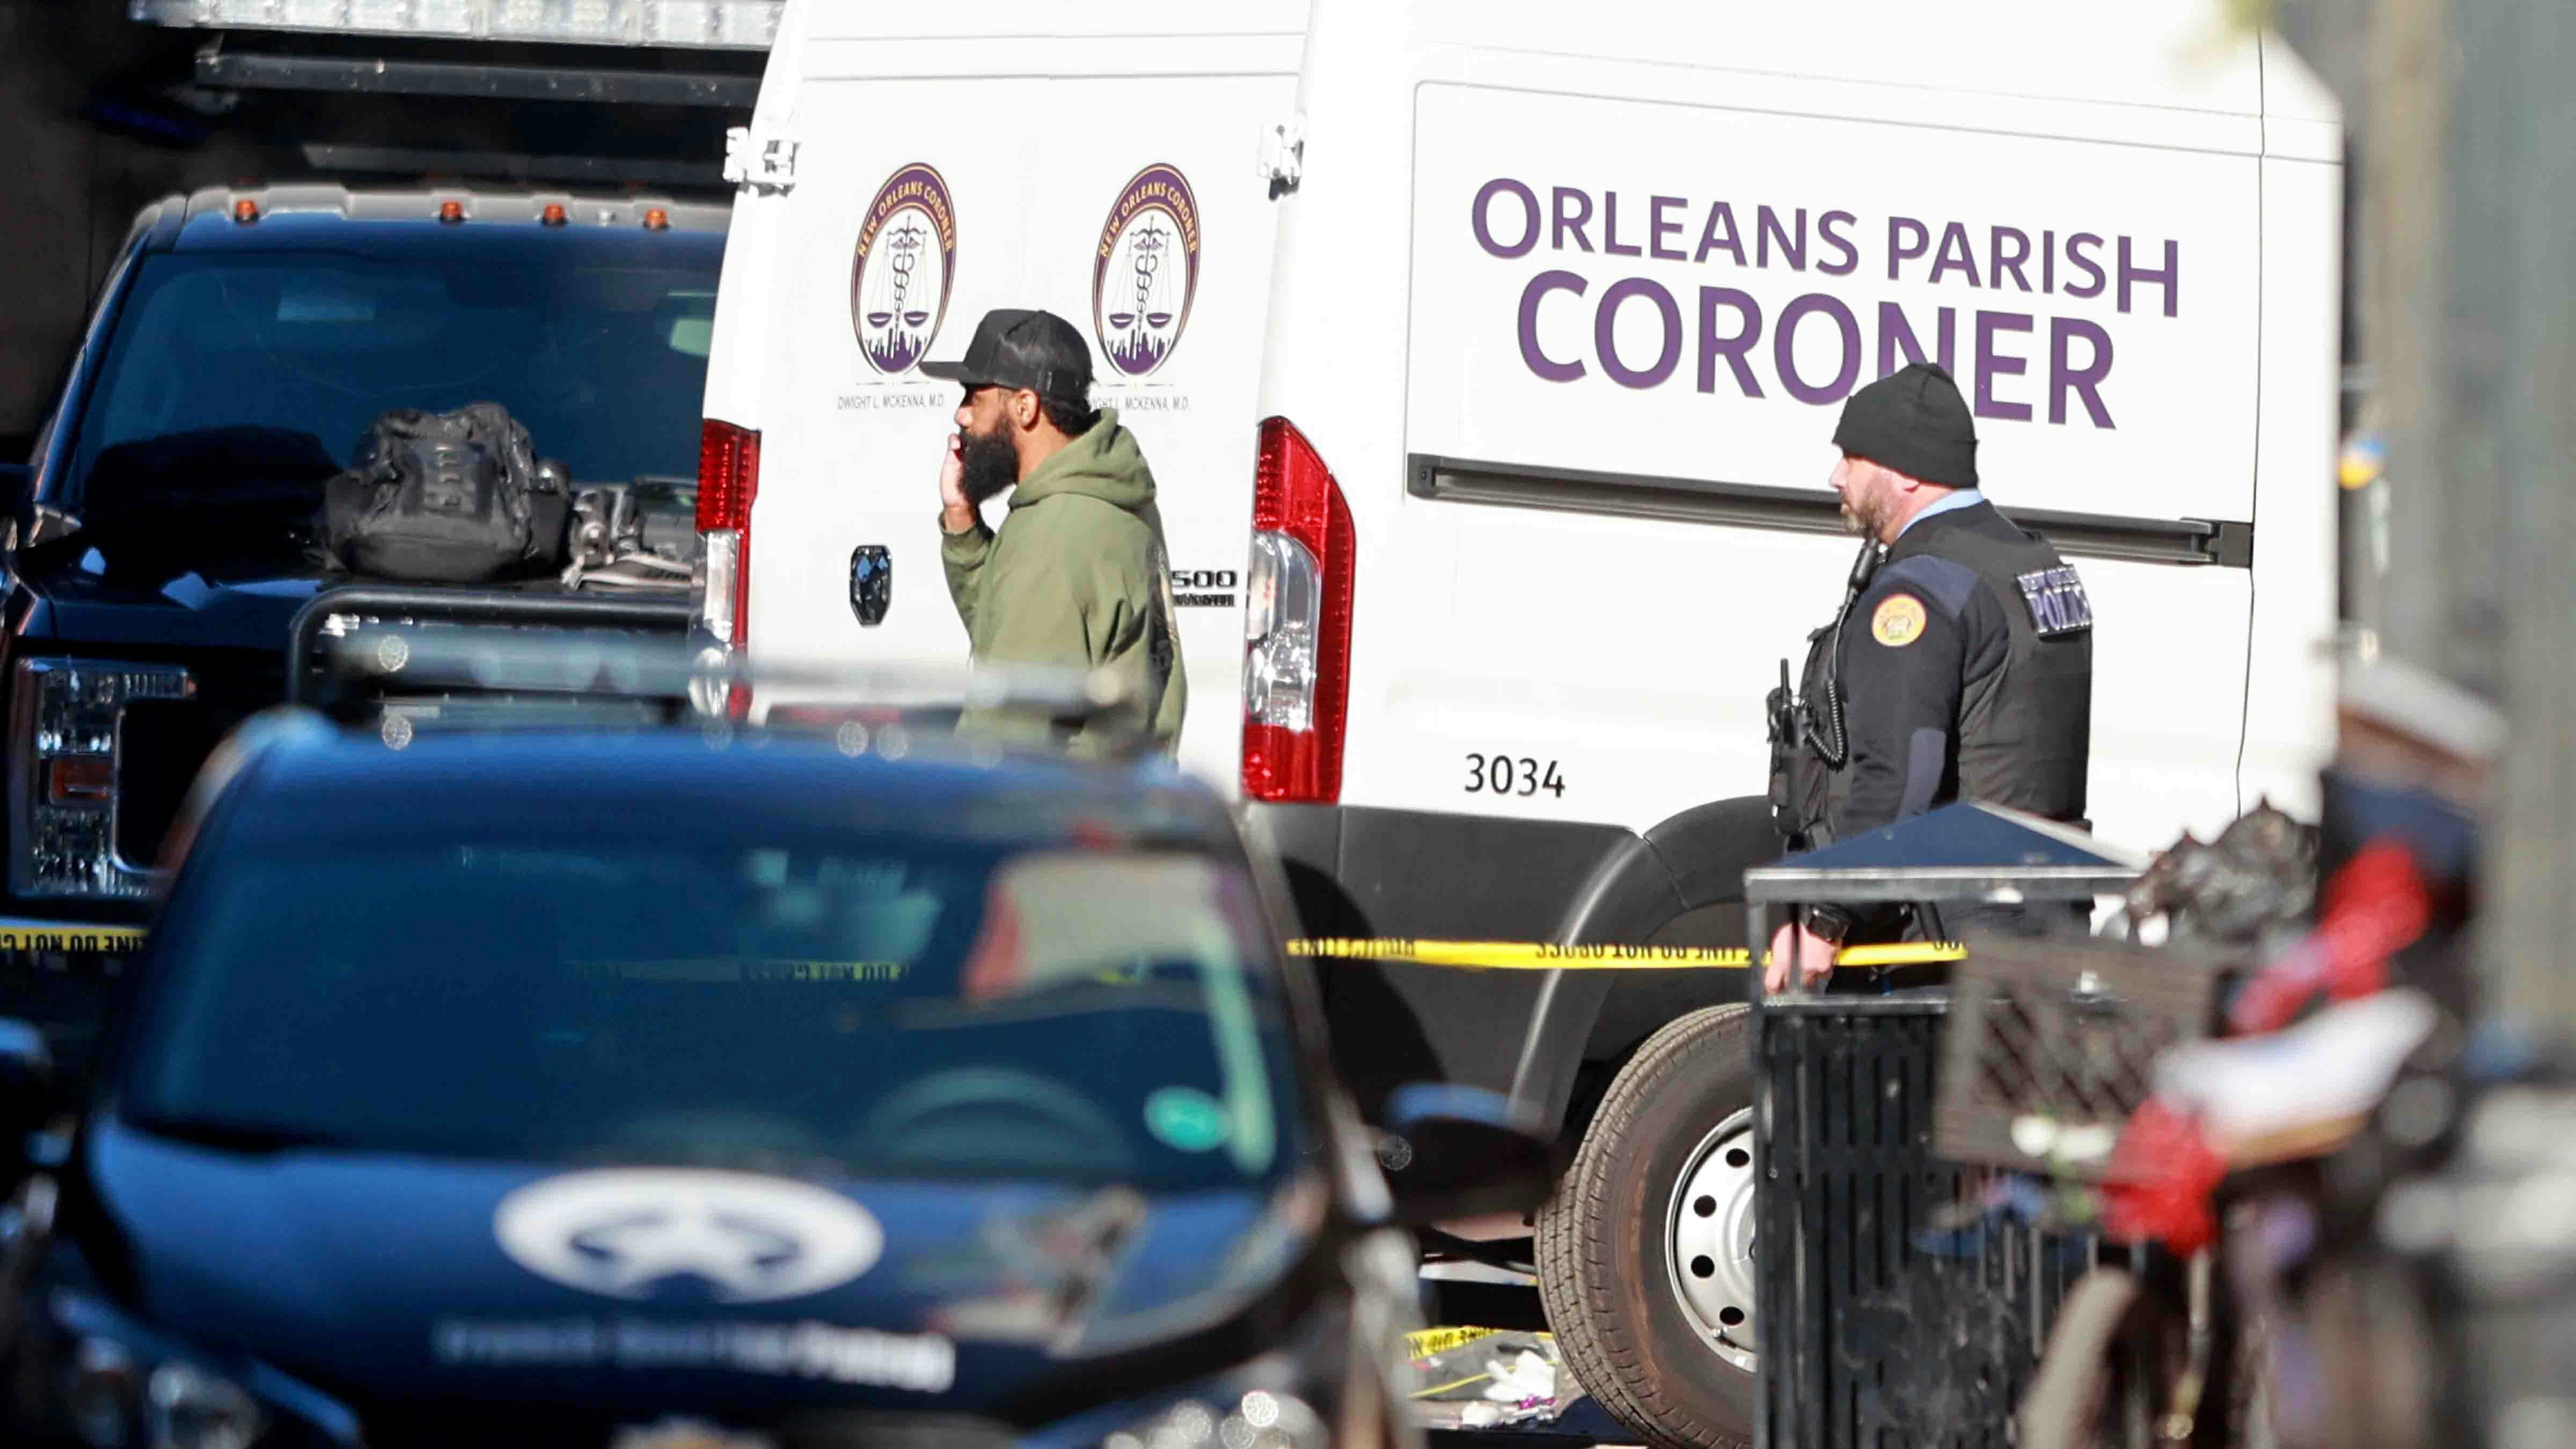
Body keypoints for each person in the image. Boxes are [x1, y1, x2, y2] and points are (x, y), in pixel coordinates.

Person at [1764, 362, 2094, 992]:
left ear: (1907, 471)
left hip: (1944, 950)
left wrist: (1826, 916)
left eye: (1853, 457)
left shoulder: (1921, 593)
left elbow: (1900, 775)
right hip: (2037, 923)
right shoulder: (2033, 562)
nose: (1837, 475)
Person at [923, 308, 1187, 755]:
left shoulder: (1052, 538)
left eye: (974, 396)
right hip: (1124, 791)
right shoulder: (1111, 495)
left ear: (1024, 407)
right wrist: (961, 515)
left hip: (1059, 798)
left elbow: (1000, 741)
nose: (961, 414)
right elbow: (1015, 632)